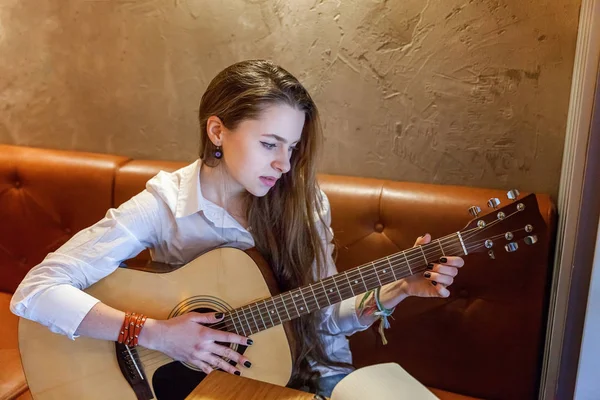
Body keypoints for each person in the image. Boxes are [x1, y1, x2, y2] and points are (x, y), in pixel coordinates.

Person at [10, 59, 463, 397]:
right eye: (269, 144)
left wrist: (398, 289)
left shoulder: (306, 205)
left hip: (315, 373)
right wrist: (154, 332)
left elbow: (324, 318)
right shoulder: (164, 205)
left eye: (291, 148)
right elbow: (36, 291)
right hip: (215, 383)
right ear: (216, 131)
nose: (284, 165)